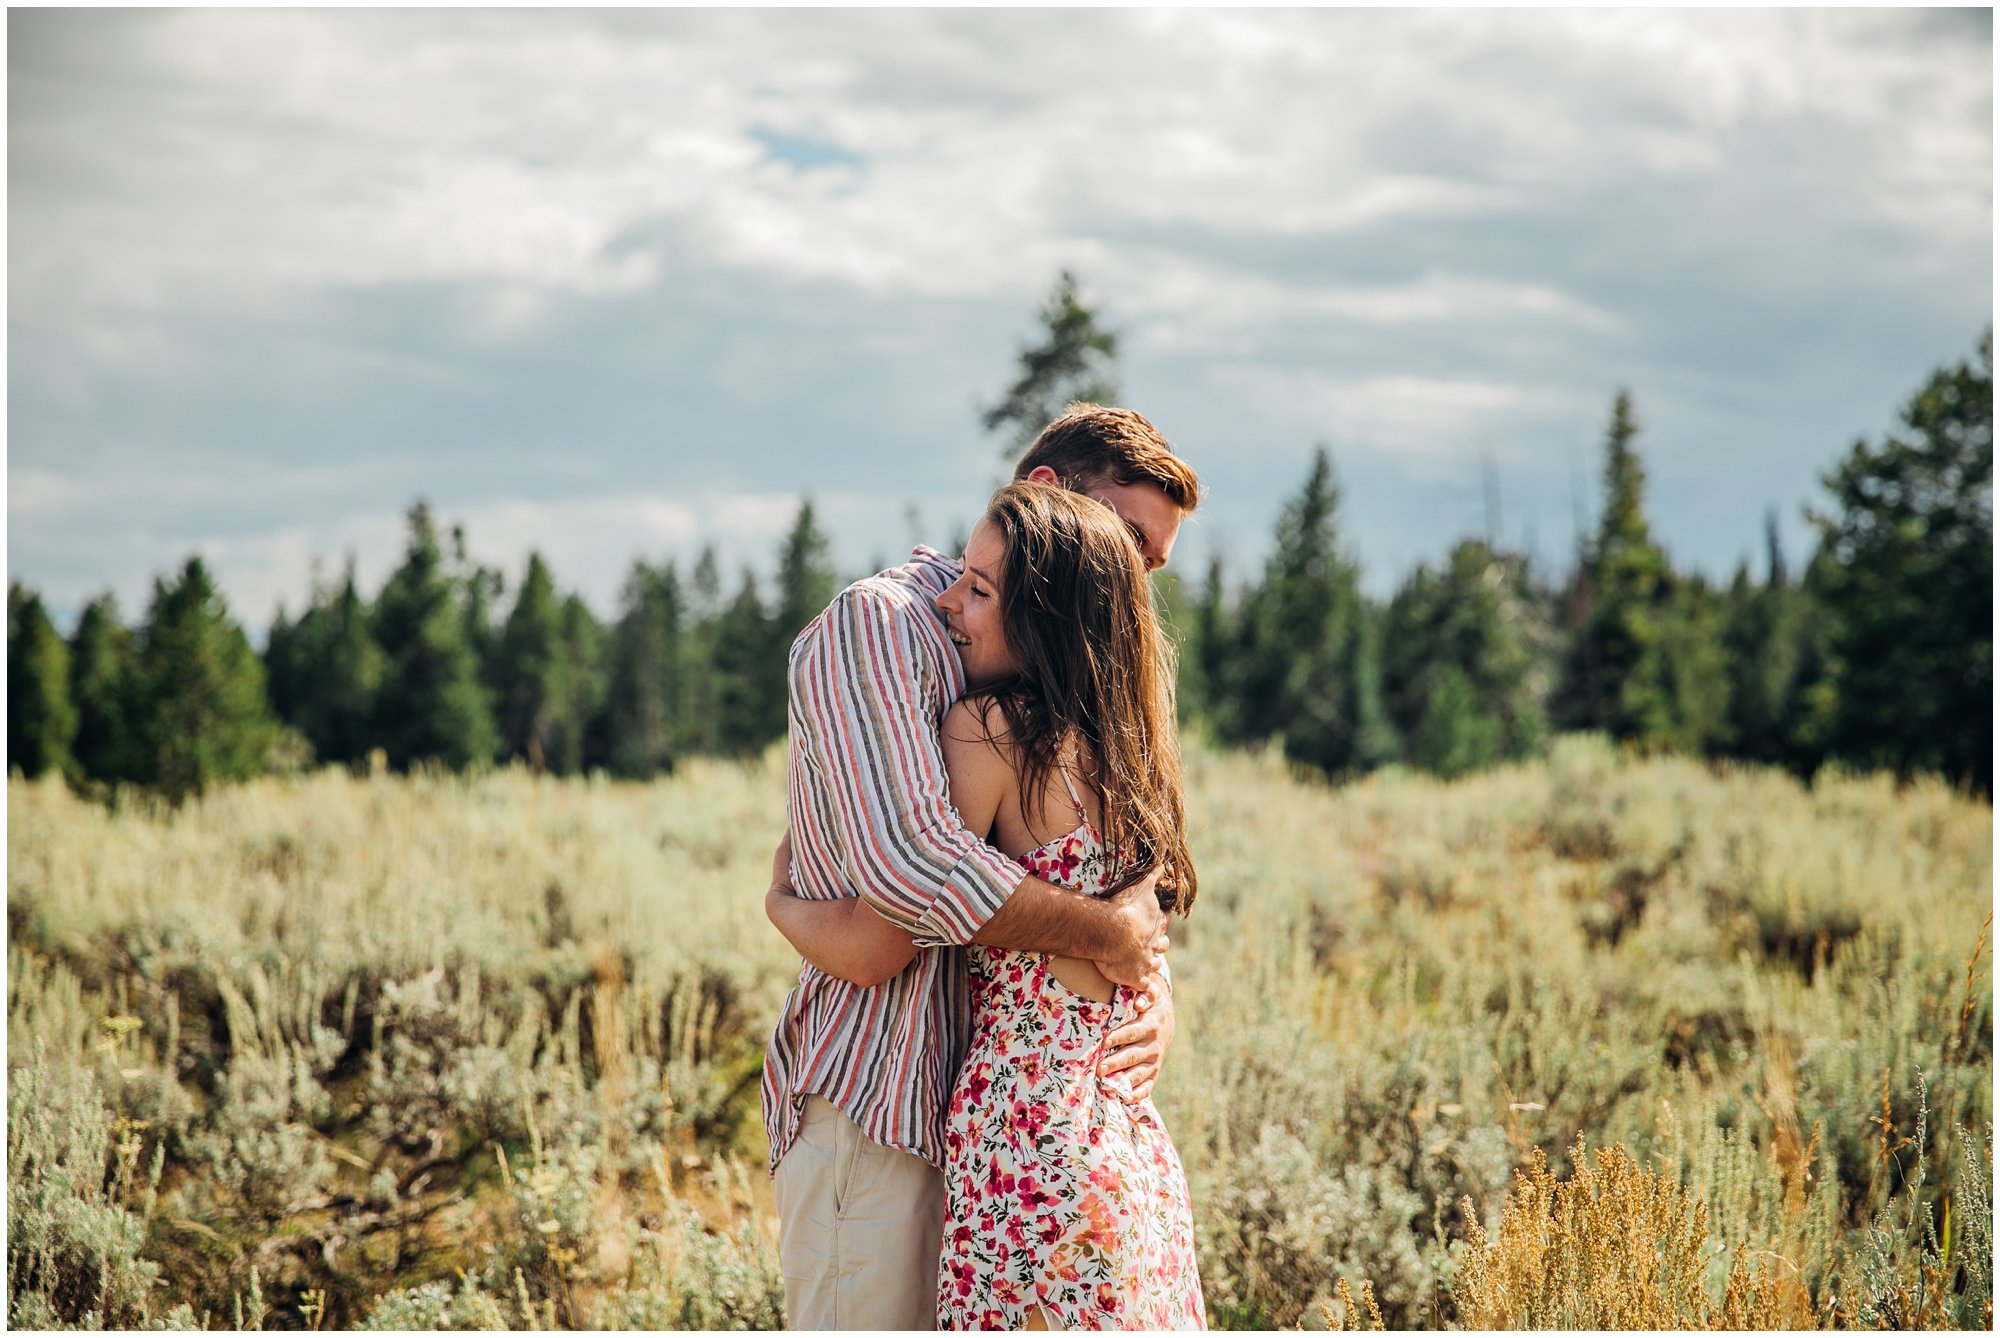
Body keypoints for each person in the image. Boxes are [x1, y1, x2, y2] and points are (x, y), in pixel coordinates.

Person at [758, 405, 1202, 1330]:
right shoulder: (880, 630)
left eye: (1150, 563)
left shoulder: (1064, 705)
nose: (1135, 579)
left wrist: (1145, 980)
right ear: (1045, 499)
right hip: (884, 1108)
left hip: (1019, 1126)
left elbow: (1134, 886)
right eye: (1126, 542)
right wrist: (1110, 936)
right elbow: (915, 876)